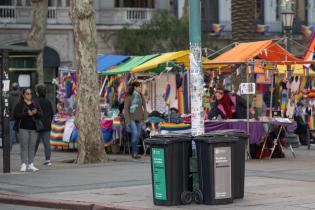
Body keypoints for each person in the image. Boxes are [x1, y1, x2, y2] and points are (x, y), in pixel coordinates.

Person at [14, 88, 42, 172]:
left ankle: (31, 164)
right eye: (27, 93)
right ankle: (23, 164)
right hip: (23, 128)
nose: (29, 95)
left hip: (34, 129)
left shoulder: (35, 104)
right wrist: (26, 114)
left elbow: (41, 115)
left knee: (32, 147)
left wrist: (35, 113)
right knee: (24, 147)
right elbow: (15, 115)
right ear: (23, 95)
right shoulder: (19, 104)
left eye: (30, 93)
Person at [124, 81, 147, 159]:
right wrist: (127, 120)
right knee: (135, 134)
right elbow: (126, 109)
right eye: (139, 87)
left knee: (137, 136)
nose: (140, 88)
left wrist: (145, 118)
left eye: (141, 87)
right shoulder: (129, 96)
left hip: (139, 118)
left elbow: (144, 107)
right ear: (135, 87)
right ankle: (134, 153)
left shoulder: (141, 95)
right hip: (131, 118)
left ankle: (135, 152)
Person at [34, 84, 54, 166]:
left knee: (34, 143)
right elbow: (52, 113)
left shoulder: (34, 101)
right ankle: (48, 160)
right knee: (47, 144)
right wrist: (48, 121)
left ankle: (31, 160)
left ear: (37, 92)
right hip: (46, 125)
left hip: (37, 125)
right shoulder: (48, 102)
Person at [9, 82, 20, 150]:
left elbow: (8, 107)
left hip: (12, 116)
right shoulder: (21, 95)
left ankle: (10, 146)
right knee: (22, 131)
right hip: (20, 116)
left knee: (11, 132)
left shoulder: (9, 95)